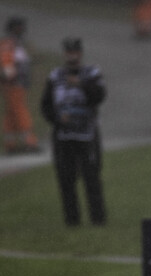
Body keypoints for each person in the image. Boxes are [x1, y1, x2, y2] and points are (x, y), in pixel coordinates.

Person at [41, 38, 106, 226]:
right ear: (64, 54)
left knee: (91, 176)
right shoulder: (55, 76)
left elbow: (99, 96)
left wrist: (81, 85)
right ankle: (72, 220)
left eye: (74, 52)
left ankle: (98, 219)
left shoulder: (92, 73)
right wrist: (56, 119)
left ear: (80, 53)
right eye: (68, 52)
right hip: (64, 135)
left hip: (87, 133)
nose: (71, 56)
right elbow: (46, 105)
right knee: (66, 178)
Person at [0, 16, 38, 153]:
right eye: (19, 26)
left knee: (11, 113)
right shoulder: (9, 43)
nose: (22, 29)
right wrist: (10, 77)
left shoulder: (17, 43)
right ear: (13, 28)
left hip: (17, 84)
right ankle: (30, 141)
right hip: (14, 84)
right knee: (20, 111)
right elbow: (6, 61)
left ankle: (10, 143)